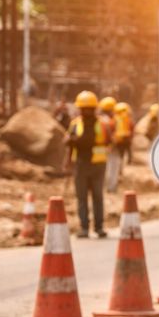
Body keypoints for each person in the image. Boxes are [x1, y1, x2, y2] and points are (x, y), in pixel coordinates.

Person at [65, 91, 110, 238]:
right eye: (84, 109)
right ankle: (84, 227)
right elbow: (69, 144)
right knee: (82, 197)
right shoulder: (75, 124)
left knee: (97, 197)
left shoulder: (102, 124)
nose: (87, 111)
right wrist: (68, 161)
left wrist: (78, 141)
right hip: (81, 164)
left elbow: (108, 140)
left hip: (97, 165)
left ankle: (99, 227)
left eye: (89, 109)